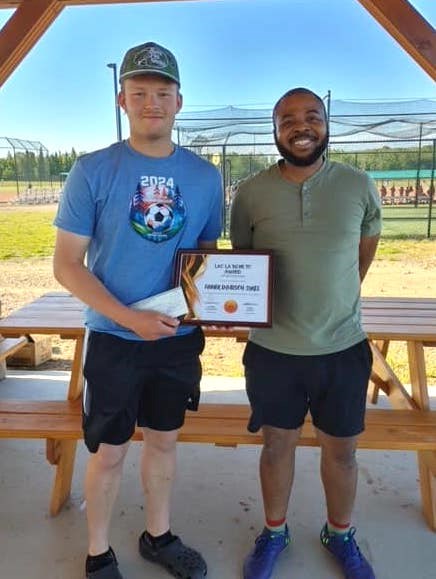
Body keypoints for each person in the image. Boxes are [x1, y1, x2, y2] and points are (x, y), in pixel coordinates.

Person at [53, 41, 222, 579]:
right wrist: (130, 319)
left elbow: (205, 257)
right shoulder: (92, 170)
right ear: (122, 100)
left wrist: (213, 302)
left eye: (163, 92)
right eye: (140, 91)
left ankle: (158, 536)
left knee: (165, 443)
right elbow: (67, 266)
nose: (152, 101)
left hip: (174, 341)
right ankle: (98, 552)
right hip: (114, 340)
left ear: (179, 101)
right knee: (109, 452)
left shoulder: (204, 176)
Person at [230, 87, 381, 579]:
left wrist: (337, 296)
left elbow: (363, 252)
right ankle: (275, 531)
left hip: (342, 349)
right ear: (274, 130)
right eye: (288, 119)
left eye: (312, 116)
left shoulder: (359, 185)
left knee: (343, 452)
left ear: (326, 123)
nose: (301, 126)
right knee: (277, 447)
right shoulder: (251, 192)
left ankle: (340, 534)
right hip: (273, 351)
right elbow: (246, 264)